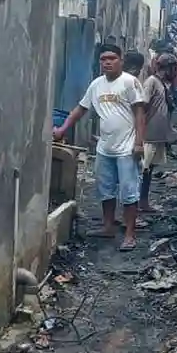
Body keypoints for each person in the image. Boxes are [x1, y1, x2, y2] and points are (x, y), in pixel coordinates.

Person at [53, 44, 146, 251]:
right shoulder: (96, 85)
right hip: (105, 148)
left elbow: (140, 113)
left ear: (121, 60)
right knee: (105, 190)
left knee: (129, 193)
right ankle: (108, 226)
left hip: (127, 148)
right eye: (103, 59)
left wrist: (139, 143)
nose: (107, 62)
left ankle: (130, 234)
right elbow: (81, 109)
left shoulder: (130, 83)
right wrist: (62, 129)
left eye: (112, 58)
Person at [139, 54, 177, 211]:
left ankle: (144, 202)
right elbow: (143, 106)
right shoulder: (151, 82)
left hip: (157, 137)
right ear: (166, 68)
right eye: (172, 68)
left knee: (149, 170)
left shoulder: (161, 83)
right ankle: (136, 205)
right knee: (143, 170)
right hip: (148, 136)